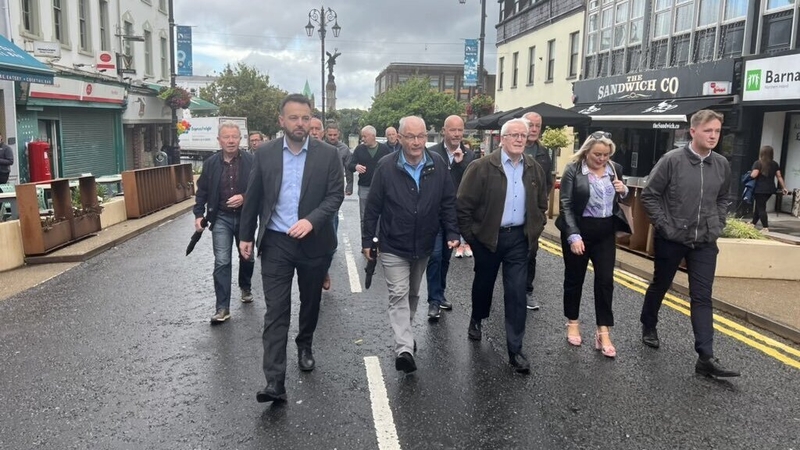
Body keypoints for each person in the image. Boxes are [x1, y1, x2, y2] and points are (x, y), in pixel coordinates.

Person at [239, 94, 344, 402]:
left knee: (310, 303)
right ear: (281, 121)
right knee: (276, 311)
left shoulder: (327, 155)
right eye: (294, 118)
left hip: (314, 241)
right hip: (276, 242)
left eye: (306, 117)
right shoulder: (266, 153)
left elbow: (335, 196)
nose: (301, 123)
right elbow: (254, 194)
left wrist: (312, 221)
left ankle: (305, 343)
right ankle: (274, 382)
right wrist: (246, 235)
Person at [640, 109, 740, 378]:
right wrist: (666, 227)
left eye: (717, 131)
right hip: (673, 238)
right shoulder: (671, 160)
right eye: (708, 131)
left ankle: (705, 356)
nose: (714, 136)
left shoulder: (721, 164)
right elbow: (649, 195)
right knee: (661, 283)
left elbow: (723, 198)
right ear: (693, 131)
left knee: (702, 296)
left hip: (705, 239)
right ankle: (648, 324)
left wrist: (717, 224)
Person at [362, 115, 459, 374]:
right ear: (401, 138)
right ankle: (404, 347)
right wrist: (367, 240)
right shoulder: (386, 166)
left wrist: (452, 232)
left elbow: (448, 201)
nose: (416, 142)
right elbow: (372, 207)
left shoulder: (437, 164)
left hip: (424, 242)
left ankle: (405, 333)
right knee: (398, 293)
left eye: (421, 136)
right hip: (393, 242)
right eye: (411, 137)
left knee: (414, 293)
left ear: (426, 137)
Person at [457, 118, 548, 374]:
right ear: (502, 138)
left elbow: (542, 205)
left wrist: (535, 229)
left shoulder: (534, 168)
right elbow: (463, 205)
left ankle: (515, 349)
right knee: (483, 284)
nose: (520, 139)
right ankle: (477, 317)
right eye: (514, 135)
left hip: (519, 240)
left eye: (523, 135)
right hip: (488, 239)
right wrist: (472, 238)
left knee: (517, 292)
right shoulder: (481, 167)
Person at [556, 131, 630, 358]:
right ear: (587, 151)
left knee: (605, 281)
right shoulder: (573, 170)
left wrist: (624, 190)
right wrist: (573, 235)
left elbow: (620, 199)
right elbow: (566, 204)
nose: (601, 159)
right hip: (580, 229)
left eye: (606, 155)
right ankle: (573, 322)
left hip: (605, 231)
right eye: (597, 154)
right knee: (575, 279)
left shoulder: (614, 168)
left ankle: (603, 331)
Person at [193, 121, 256, 323]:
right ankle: (222, 308)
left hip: (245, 218)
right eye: (226, 137)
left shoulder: (251, 161)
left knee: (247, 256)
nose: (231, 140)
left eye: (234, 137)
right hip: (221, 217)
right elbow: (202, 191)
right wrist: (198, 214)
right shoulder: (211, 163)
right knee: (222, 260)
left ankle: (245, 286)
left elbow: (260, 189)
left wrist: (244, 197)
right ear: (219, 140)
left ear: (240, 139)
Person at [424, 115, 474, 319]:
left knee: (445, 257)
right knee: (435, 256)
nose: (456, 134)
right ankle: (433, 301)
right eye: (452, 130)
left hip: (455, 216)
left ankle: (440, 294)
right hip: (434, 214)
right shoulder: (431, 152)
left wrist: (460, 164)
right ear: (444, 131)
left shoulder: (469, 156)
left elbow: (469, 184)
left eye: (460, 130)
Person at [522, 112, 555, 311]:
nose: (534, 129)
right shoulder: (511, 147)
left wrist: (540, 209)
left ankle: (527, 291)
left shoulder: (544, 153)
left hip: (533, 215)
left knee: (531, 253)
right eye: (530, 125)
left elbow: (547, 184)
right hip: (508, 212)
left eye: (537, 125)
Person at [321, 122, 354, 291]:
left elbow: (349, 169)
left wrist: (349, 186)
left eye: (335, 135)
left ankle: (329, 248)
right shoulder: (319, 147)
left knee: (332, 224)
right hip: (317, 191)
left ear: (339, 134)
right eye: (330, 135)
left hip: (334, 191)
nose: (332, 138)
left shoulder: (344, 149)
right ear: (326, 134)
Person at [348, 125, 392, 226]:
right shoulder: (359, 149)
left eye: (365, 136)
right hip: (364, 187)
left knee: (380, 214)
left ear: (373, 136)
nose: (362, 139)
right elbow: (350, 165)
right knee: (364, 215)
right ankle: (365, 238)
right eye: (362, 136)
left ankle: (378, 238)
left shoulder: (384, 149)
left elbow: (391, 166)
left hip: (380, 188)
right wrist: (356, 166)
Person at [750, 145, 789, 232]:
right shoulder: (775, 164)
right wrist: (784, 187)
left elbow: (754, 175)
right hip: (770, 189)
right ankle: (753, 223)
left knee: (761, 207)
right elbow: (779, 177)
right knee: (759, 206)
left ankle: (765, 227)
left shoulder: (758, 163)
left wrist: (750, 174)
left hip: (759, 189)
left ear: (762, 153)